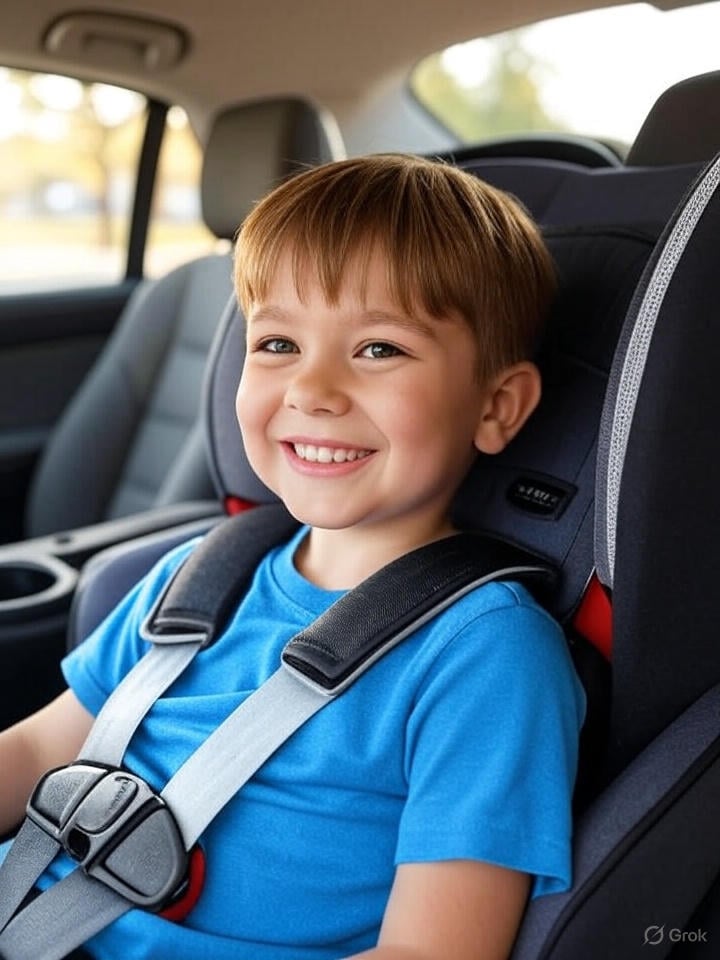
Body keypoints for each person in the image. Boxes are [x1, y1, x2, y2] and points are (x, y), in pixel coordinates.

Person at [0, 154, 585, 960]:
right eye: (278, 342)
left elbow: (433, 952)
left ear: (496, 407)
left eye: (379, 349)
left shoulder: (486, 657)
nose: (312, 389)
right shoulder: (199, 576)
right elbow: (39, 749)